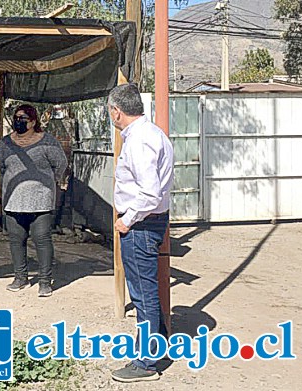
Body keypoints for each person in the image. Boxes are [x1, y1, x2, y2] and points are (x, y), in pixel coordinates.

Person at [108, 84, 173, 383]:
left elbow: (148, 192)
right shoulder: (152, 134)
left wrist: (127, 220)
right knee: (146, 290)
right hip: (149, 221)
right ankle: (158, 347)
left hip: (141, 224)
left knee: (143, 293)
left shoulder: (139, 142)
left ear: (116, 111)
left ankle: (146, 361)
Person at [0, 104, 67, 298]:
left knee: (42, 239)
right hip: (13, 200)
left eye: (23, 118)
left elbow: (61, 163)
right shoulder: (5, 143)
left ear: (33, 121)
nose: (19, 121)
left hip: (40, 200)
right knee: (16, 240)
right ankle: (20, 277)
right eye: (16, 118)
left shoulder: (48, 142)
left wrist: (51, 182)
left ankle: (44, 281)